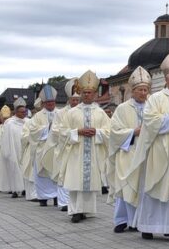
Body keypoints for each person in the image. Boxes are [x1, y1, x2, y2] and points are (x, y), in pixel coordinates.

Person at [129, 53, 169, 242]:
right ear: (166, 78)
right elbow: (150, 121)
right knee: (155, 188)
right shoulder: (155, 98)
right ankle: (148, 226)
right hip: (160, 151)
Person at [58, 70, 111, 222]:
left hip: (93, 151)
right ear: (80, 93)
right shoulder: (72, 113)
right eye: (85, 92)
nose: (87, 95)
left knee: (89, 182)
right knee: (76, 182)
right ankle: (75, 211)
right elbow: (62, 132)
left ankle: (87, 210)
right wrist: (77, 131)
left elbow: (109, 132)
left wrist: (97, 132)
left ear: (95, 94)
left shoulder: (100, 113)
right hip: (76, 152)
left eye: (90, 92)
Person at [108, 67, 150, 233]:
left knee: (142, 188)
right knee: (126, 186)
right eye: (140, 90)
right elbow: (114, 131)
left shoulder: (152, 106)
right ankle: (121, 220)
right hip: (128, 152)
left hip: (146, 153)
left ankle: (139, 221)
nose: (143, 93)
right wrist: (133, 132)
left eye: (146, 89)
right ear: (132, 91)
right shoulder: (122, 109)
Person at [23, 85, 60, 206]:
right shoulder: (37, 116)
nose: (50, 104)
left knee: (56, 173)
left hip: (56, 148)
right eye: (48, 102)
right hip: (42, 149)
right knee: (42, 174)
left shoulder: (61, 114)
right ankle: (43, 198)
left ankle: (56, 197)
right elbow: (32, 132)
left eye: (52, 102)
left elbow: (65, 128)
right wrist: (46, 129)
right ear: (43, 103)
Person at [52, 83, 80, 211]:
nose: (75, 102)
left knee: (76, 175)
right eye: (73, 99)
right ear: (69, 99)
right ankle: (64, 202)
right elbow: (56, 129)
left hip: (79, 148)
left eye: (77, 100)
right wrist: (72, 133)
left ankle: (77, 203)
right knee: (64, 173)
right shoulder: (60, 112)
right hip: (65, 147)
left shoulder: (83, 111)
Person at [0, 99, 28, 197]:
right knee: (15, 169)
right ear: (15, 112)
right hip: (14, 149)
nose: (23, 114)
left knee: (26, 169)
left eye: (24, 112)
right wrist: (7, 152)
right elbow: (5, 138)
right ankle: (15, 190)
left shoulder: (29, 121)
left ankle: (25, 189)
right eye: (21, 112)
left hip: (26, 149)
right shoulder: (10, 123)